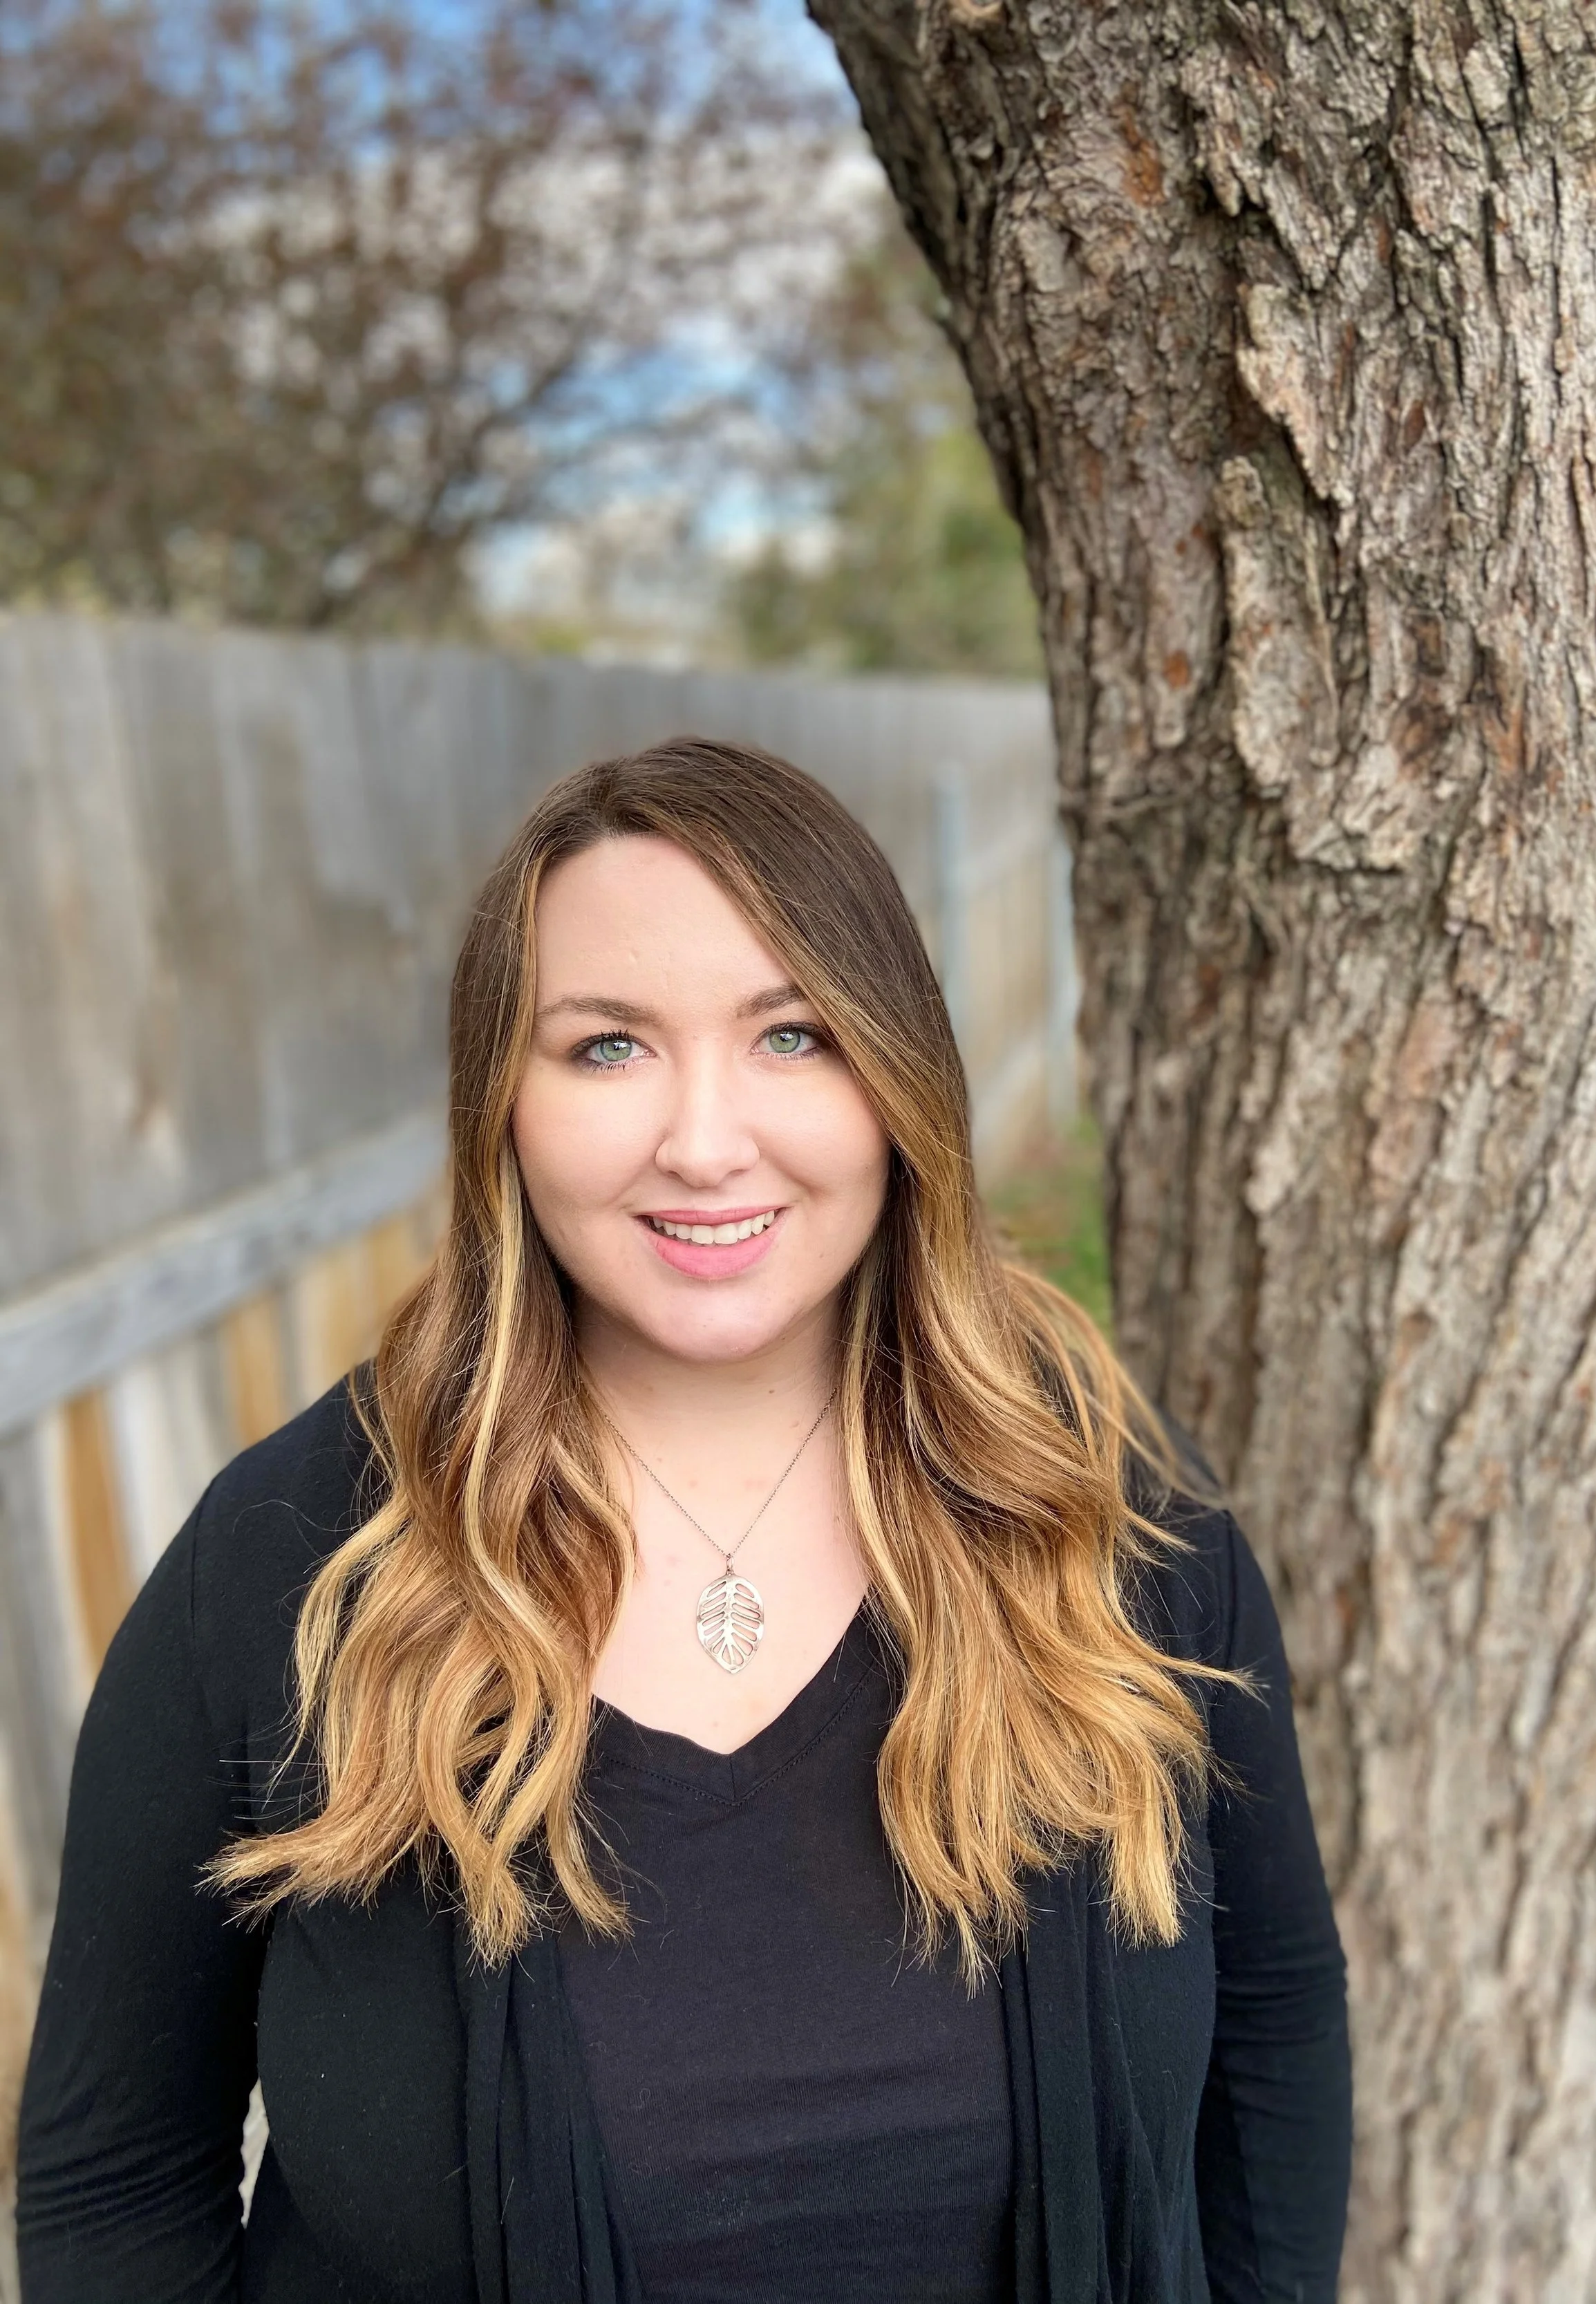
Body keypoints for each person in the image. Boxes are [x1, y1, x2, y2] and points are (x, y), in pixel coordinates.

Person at [17, 738, 1351, 2303]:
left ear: (896, 1074)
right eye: (606, 1048)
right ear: (497, 1102)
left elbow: (1271, 2026)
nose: (705, 1140)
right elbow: (116, 2174)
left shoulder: (1110, 1521)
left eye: (791, 1035)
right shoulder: (296, 1565)